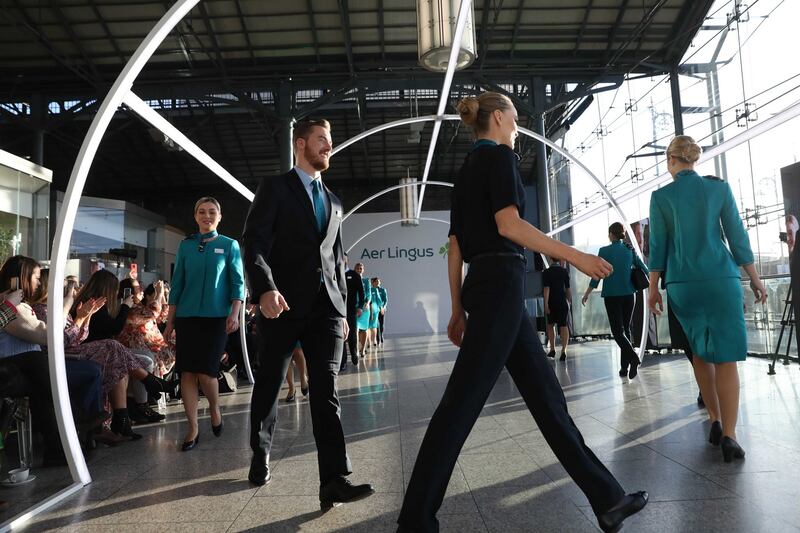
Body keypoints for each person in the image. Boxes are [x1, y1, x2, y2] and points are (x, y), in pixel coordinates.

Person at [397, 92, 647, 533]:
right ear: (498, 117)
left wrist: (457, 307)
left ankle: (607, 499)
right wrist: (575, 256)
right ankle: (415, 520)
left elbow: (455, 247)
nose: (517, 127)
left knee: (549, 403)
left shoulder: (465, 173)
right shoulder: (502, 160)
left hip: (487, 289)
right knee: (458, 407)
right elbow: (509, 226)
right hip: (502, 287)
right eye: (514, 119)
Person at [242, 118, 374, 507]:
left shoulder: (333, 201)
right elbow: (255, 242)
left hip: (327, 310)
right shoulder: (275, 188)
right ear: (301, 144)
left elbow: (336, 258)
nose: (328, 147)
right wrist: (264, 289)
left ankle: (333, 477)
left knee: (326, 391)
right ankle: (261, 450)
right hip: (281, 304)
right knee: (269, 383)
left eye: (330, 142)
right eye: (321, 141)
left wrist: (345, 312)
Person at [647, 135, 766, 463]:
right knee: (726, 357)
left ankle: (713, 419)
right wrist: (755, 279)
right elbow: (737, 237)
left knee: (700, 352)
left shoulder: (660, 197)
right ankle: (730, 435)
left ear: (671, 160)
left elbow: (657, 247)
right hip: (720, 279)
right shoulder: (719, 190)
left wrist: (653, 287)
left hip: (683, 283)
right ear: (694, 160)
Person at [163, 197, 245, 451]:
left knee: (207, 372)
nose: (206, 216)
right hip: (187, 317)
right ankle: (193, 428)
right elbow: (177, 285)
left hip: (217, 317)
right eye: (201, 212)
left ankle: (214, 407)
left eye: (211, 212)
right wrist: (169, 321)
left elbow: (238, 283)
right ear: (195, 216)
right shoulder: (186, 246)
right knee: (186, 371)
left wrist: (235, 313)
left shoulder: (229, 245)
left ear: (219, 217)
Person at [581, 222, 649, 379]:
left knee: (618, 332)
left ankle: (633, 358)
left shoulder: (604, 251)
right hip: (629, 295)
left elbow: (597, 275)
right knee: (626, 330)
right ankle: (624, 369)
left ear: (611, 234)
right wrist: (652, 283)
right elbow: (643, 267)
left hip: (612, 297)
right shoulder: (629, 250)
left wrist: (587, 293)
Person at [543, 257, 571, 361]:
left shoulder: (546, 272)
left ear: (550, 259)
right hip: (562, 302)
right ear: (559, 260)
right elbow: (568, 288)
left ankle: (552, 349)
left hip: (551, 302)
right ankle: (564, 350)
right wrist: (569, 301)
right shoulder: (564, 272)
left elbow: (546, 289)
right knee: (563, 325)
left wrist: (545, 305)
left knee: (550, 325)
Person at [341, 254, 365, 370]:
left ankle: (354, 353)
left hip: (351, 310)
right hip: (338, 311)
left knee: (351, 334)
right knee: (340, 336)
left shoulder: (354, 275)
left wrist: (360, 306)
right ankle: (343, 360)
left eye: (343, 258)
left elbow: (361, 292)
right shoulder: (334, 274)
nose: (341, 259)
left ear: (347, 260)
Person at [354, 262, 372, 355]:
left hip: (365, 309)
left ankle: (362, 349)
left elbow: (368, 294)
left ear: (363, 270)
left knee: (364, 330)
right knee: (356, 329)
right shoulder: (351, 279)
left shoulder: (366, 281)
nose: (359, 270)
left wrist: (367, 302)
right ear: (355, 269)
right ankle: (356, 349)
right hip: (355, 308)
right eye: (357, 268)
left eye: (361, 268)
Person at [367, 278, 383, 349]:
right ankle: (369, 342)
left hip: (375, 310)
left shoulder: (375, 290)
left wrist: (381, 308)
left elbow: (379, 300)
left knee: (374, 326)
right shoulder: (367, 289)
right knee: (367, 326)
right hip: (367, 310)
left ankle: (374, 340)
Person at [375, 277, 388, 345]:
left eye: (378, 281)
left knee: (381, 324)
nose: (377, 282)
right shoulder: (372, 290)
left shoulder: (383, 290)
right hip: (374, 310)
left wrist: (383, 307)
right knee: (376, 324)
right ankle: (377, 338)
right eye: (376, 281)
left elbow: (385, 300)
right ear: (373, 283)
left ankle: (381, 335)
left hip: (381, 309)